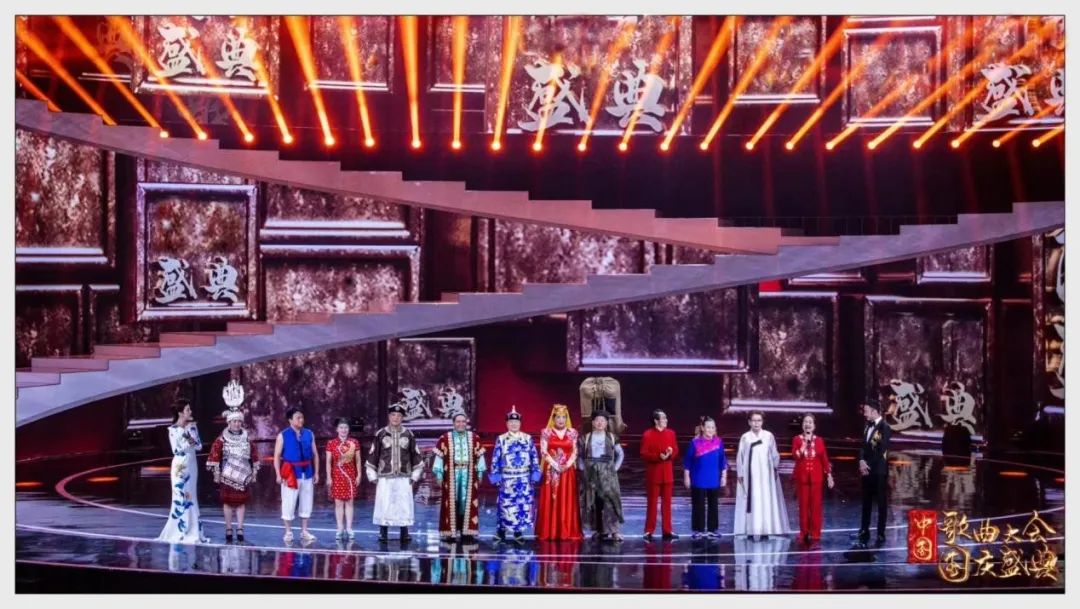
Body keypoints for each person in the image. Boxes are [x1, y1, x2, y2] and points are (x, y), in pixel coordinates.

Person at [205, 388, 259, 543]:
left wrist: (254, 471)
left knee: (241, 503)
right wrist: (216, 472)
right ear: (229, 422)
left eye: (239, 421)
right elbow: (214, 455)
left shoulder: (246, 438)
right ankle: (228, 528)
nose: (237, 424)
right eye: (234, 421)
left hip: (243, 473)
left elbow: (254, 454)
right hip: (227, 474)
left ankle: (240, 528)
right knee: (227, 502)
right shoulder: (222, 439)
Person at [366, 403, 425, 543]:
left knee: (403, 504)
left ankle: (404, 531)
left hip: (404, 476)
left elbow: (415, 455)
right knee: (384, 503)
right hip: (385, 476)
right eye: (393, 415)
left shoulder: (408, 434)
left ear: (402, 418)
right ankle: (383, 532)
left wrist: (415, 475)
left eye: (399, 415)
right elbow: (374, 454)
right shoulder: (381, 434)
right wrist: (372, 474)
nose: (396, 418)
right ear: (389, 416)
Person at [157, 398, 209, 544]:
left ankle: (193, 530)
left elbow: (198, 446)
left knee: (191, 496)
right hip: (180, 466)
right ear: (180, 413)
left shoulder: (192, 427)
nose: (190, 412)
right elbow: (176, 450)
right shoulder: (173, 430)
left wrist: (190, 433)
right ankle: (179, 530)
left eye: (189, 409)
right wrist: (187, 437)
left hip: (192, 465)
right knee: (180, 496)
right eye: (187, 410)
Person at [489, 405, 542, 542]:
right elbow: (495, 458)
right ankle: (501, 531)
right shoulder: (501, 439)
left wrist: (535, 473)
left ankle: (518, 533)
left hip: (523, 478)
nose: (514, 424)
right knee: (505, 506)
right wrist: (496, 476)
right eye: (511, 422)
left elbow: (534, 457)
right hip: (507, 478)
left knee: (521, 507)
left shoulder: (527, 438)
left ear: (520, 423)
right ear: (507, 424)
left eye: (516, 422)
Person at [734, 410, 789, 539]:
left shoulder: (768, 436)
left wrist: (774, 468)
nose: (756, 423)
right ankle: (752, 529)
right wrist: (740, 473)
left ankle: (766, 529)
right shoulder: (745, 437)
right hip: (750, 475)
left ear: (762, 422)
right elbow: (740, 457)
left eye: (759, 420)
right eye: (754, 420)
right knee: (753, 499)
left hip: (765, 475)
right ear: (749, 422)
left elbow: (774, 454)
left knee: (765, 499)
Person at [433, 412, 486, 542]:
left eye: (463, 421)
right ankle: (449, 532)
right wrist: (439, 474)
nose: (461, 424)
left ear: (466, 423)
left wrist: (480, 473)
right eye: (458, 421)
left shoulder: (474, 438)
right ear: (453, 423)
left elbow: (480, 458)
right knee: (451, 502)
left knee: (467, 503)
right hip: (451, 475)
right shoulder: (445, 438)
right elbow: (439, 458)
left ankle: (467, 532)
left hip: (469, 475)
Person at [535, 404, 583, 540]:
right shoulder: (546, 432)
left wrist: (567, 465)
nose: (561, 420)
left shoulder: (572, 432)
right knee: (551, 499)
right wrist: (556, 465)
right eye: (558, 417)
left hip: (567, 471)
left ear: (566, 418)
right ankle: (549, 531)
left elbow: (575, 451)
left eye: (563, 417)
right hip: (551, 471)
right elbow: (543, 451)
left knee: (567, 499)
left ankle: (566, 531)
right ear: (553, 418)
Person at [577, 410, 625, 542]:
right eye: (597, 420)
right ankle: (600, 530)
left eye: (602, 421)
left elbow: (620, 454)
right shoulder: (585, 438)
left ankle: (614, 531)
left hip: (608, 472)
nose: (600, 423)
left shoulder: (612, 437)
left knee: (611, 501)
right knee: (594, 501)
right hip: (591, 472)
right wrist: (583, 469)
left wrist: (615, 469)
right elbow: (579, 456)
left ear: (606, 423)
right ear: (593, 422)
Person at [274, 407, 319, 544]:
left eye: (302, 417)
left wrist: (316, 472)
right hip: (290, 473)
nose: (301, 420)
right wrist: (278, 474)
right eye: (298, 418)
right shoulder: (283, 435)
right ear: (290, 420)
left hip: (307, 472)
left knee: (307, 502)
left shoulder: (309, 434)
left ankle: (304, 531)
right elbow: (276, 456)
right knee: (289, 502)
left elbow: (315, 454)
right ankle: (288, 532)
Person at [791, 413, 834, 543]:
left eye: (810, 422)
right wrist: (803, 446)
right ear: (802, 425)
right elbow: (796, 456)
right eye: (805, 422)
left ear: (814, 426)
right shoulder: (797, 439)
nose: (807, 424)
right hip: (802, 478)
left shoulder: (819, 440)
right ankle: (804, 532)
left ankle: (815, 533)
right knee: (803, 506)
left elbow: (824, 459)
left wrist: (829, 475)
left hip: (816, 478)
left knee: (816, 507)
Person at [683, 416, 728, 539]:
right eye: (708, 427)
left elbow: (722, 460)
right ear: (702, 428)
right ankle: (698, 529)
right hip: (698, 479)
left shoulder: (718, 442)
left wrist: (724, 476)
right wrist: (687, 477)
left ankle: (712, 529)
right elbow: (687, 461)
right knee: (698, 505)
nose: (710, 430)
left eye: (713, 427)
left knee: (713, 505)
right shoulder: (694, 443)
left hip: (713, 479)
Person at [640, 408, 680, 541]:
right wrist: (658, 456)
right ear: (656, 421)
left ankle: (667, 530)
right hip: (654, 474)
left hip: (667, 473)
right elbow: (644, 453)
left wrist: (670, 454)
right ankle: (649, 530)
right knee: (652, 503)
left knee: (667, 503)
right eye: (663, 418)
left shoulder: (671, 433)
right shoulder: (648, 434)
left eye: (666, 418)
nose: (666, 420)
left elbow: (676, 450)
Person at [857, 399, 891, 548]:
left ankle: (881, 532)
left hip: (878, 471)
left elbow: (881, 450)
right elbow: (863, 446)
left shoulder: (885, 427)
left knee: (881, 503)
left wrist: (867, 465)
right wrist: (861, 461)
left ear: (875, 411)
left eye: (866, 411)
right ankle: (864, 530)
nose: (864, 414)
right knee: (866, 502)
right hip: (866, 470)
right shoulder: (867, 426)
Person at [326, 417, 362, 540]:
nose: (343, 430)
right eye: (341, 427)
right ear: (337, 429)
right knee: (338, 503)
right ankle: (340, 528)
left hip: (350, 476)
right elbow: (328, 462)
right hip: (337, 476)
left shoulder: (354, 442)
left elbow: (358, 460)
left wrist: (359, 474)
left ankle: (349, 528)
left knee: (350, 503)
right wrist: (329, 477)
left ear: (349, 429)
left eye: (346, 427)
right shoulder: (331, 443)